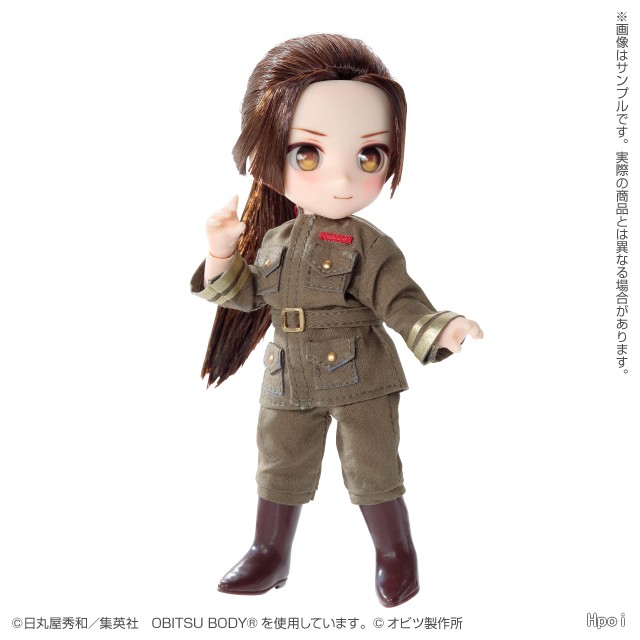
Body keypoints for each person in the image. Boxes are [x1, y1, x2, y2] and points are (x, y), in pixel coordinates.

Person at [190, 33, 483, 607]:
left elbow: (398, 298)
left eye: (369, 156)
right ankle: (270, 552)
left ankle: (396, 554)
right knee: (278, 465)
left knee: (372, 468)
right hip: (287, 374)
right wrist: (221, 252)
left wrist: (438, 326)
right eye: (308, 154)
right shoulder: (273, 239)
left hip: (359, 376)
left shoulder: (367, 243)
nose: (344, 180)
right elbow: (247, 297)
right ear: (265, 152)